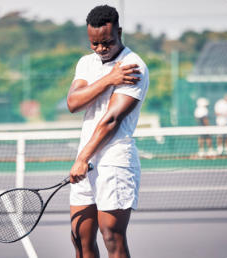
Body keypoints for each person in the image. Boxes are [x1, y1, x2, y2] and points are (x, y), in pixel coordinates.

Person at [67, 5, 149, 258]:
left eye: (107, 43)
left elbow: (111, 119)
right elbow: (73, 103)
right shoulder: (86, 63)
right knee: (79, 236)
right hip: (86, 159)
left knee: (111, 235)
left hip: (115, 159)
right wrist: (108, 80)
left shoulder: (133, 66)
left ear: (119, 32)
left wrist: (82, 159)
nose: (101, 49)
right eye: (95, 44)